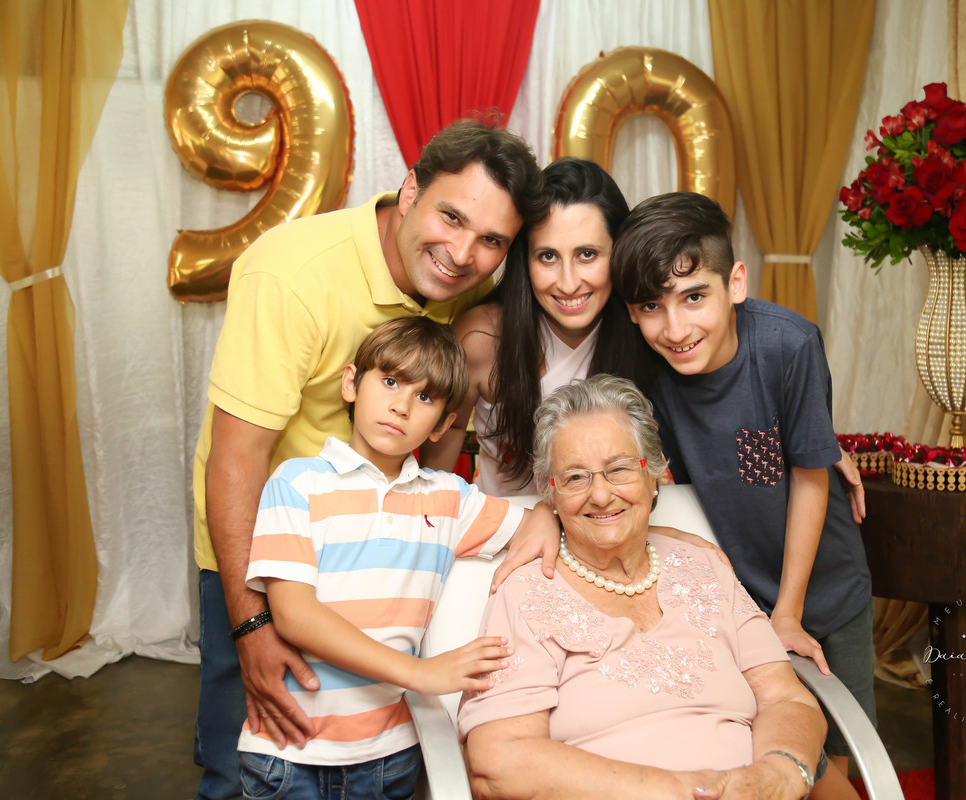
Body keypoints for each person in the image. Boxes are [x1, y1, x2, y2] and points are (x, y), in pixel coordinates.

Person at [191, 118, 549, 800]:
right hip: (267, 553)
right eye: (451, 216)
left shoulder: (471, 289)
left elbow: (443, 437)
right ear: (410, 189)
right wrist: (252, 624)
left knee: (378, 762)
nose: (462, 254)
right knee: (249, 765)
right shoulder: (292, 272)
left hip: (383, 561)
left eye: (492, 240)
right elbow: (237, 458)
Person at [610, 192, 873, 798]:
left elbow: (810, 476)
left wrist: (790, 611)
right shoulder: (647, 370)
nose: (676, 329)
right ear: (631, 312)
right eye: (651, 307)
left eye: (693, 297)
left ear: (735, 283)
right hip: (739, 599)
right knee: (779, 750)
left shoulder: (788, 345)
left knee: (844, 750)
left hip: (827, 585)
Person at [459, 375, 827, 800]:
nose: (601, 495)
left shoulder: (705, 566)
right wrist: (681, 790)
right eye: (575, 477)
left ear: (653, 474)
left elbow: (786, 699)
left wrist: (777, 775)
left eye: (619, 469)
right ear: (551, 494)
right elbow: (499, 761)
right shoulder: (528, 592)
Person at [238, 317, 559, 798]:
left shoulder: (450, 499)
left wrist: (548, 514)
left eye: (425, 397)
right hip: (289, 754)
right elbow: (294, 615)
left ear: (444, 424)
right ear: (351, 383)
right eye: (390, 382)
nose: (401, 406)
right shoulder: (296, 483)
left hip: (390, 757)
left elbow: (539, 520)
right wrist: (421, 674)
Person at [421, 157, 650, 495]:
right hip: (502, 523)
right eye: (548, 256)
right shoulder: (482, 337)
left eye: (587, 254)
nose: (568, 283)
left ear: (619, 252)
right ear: (524, 260)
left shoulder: (651, 330)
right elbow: (442, 453)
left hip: (611, 518)